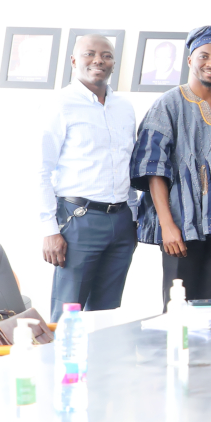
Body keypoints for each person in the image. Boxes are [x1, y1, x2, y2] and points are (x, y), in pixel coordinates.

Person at [131, 26, 211, 307]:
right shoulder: (168, 105)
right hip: (182, 227)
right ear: (190, 59)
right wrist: (167, 226)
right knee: (178, 308)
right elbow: (153, 170)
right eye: (204, 56)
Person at [38, 34, 138, 317]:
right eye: (89, 54)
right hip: (78, 219)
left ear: (114, 64)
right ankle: (59, 362)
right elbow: (40, 170)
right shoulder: (59, 104)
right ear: (73, 60)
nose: (98, 60)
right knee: (68, 313)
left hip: (121, 221)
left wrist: (132, 216)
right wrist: (49, 230)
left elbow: (127, 165)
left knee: (106, 314)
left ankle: (101, 363)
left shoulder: (124, 108)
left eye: (106, 55)